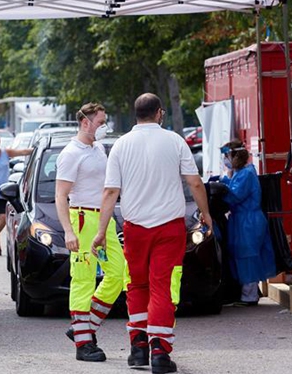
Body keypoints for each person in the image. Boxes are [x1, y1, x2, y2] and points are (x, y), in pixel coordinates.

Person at [92, 93, 211, 373]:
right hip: (169, 228)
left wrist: (101, 231)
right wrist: (206, 214)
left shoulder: (120, 145)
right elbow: (194, 183)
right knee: (161, 286)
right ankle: (159, 351)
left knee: (136, 285)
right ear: (159, 113)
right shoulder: (175, 141)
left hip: (135, 228)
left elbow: (110, 191)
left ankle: (138, 348)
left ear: (136, 114)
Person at [55, 103, 125, 362]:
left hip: (104, 220)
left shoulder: (98, 148)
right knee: (83, 279)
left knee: (118, 274)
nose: (104, 127)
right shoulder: (70, 154)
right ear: (85, 122)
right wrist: (68, 231)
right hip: (83, 219)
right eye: (100, 122)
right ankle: (83, 344)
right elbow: (60, 196)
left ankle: (84, 328)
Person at [218, 140, 276, 306]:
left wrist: (223, 183)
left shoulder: (246, 174)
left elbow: (235, 195)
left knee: (247, 257)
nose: (225, 160)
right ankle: (249, 292)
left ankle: (249, 296)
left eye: (227, 156)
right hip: (243, 220)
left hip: (248, 221)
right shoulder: (241, 172)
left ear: (235, 156)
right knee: (243, 256)